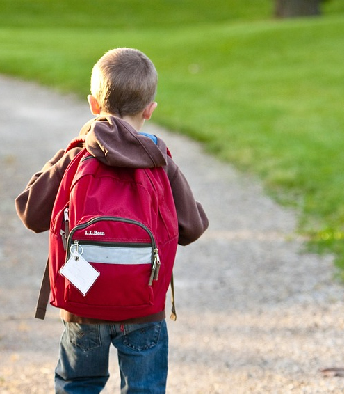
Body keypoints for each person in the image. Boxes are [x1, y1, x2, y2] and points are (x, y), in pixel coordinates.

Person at [15, 48, 208, 393]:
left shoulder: (77, 155)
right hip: (143, 304)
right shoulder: (159, 159)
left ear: (92, 104)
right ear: (150, 110)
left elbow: (31, 213)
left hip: (83, 298)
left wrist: (61, 159)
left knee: (78, 384)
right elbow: (191, 229)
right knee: (144, 388)